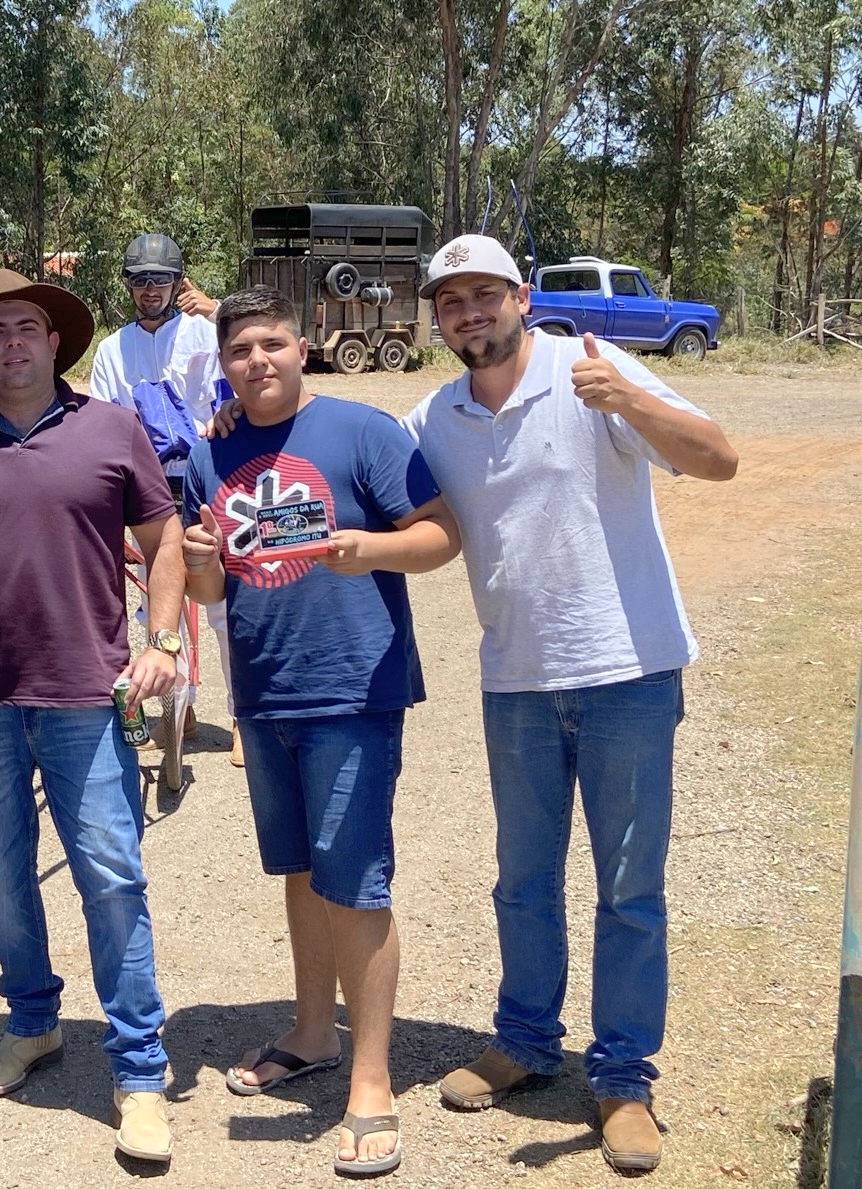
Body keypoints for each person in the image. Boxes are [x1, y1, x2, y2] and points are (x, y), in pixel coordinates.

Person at [402, 235, 738, 1174]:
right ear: (438, 318)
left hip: (628, 672)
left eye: (485, 293)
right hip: (516, 679)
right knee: (522, 878)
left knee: (629, 888)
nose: (470, 312)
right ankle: (526, 1041)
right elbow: (364, 474)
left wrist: (630, 399)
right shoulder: (435, 414)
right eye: (451, 301)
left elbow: (719, 459)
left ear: (521, 295)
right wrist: (243, 419)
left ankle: (623, 1079)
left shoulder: (592, 367)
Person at [181, 287, 461, 1178]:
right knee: (301, 871)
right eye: (240, 350)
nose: (257, 361)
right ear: (223, 364)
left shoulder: (363, 432)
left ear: (302, 347)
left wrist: (366, 548)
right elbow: (212, 589)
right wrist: (197, 564)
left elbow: (442, 534)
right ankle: (313, 1033)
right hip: (265, 697)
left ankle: (372, 1080)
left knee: (356, 880)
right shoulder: (210, 452)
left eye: (271, 343)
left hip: (353, 690)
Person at [0, 269, 186, 1163]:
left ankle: (140, 1070)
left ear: (55, 340)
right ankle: (32, 1023)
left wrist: (163, 641)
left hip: (86, 693)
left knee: (111, 876)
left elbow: (163, 535)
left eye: (27, 327)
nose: (13, 343)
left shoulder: (110, 428)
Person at [88, 233, 239, 763]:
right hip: (148, 486)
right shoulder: (112, 350)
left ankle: (241, 716)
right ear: (128, 285)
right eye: (140, 280)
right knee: (160, 600)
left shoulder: (207, 332)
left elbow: (252, 354)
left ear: (178, 282)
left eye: (160, 279)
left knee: (223, 599)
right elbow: (105, 420)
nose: (150, 289)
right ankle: (181, 706)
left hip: (207, 473)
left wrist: (218, 312)